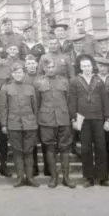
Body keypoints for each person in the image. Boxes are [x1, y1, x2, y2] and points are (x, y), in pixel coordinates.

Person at [69, 54, 109, 187]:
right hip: (82, 118)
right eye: (84, 66)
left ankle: (103, 177)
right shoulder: (75, 81)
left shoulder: (99, 80)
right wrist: (73, 120)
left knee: (101, 147)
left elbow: (106, 101)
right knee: (86, 148)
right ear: (80, 67)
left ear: (92, 66)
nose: (86, 68)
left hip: (98, 118)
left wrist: (107, 119)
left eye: (88, 65)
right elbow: (72, 102)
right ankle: (89, 177)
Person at [35, 58, 75, 188]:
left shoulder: (64, 81)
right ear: (44, 69)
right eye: (48, 67)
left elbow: (69, 100)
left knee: (65, 148)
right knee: (50, 148)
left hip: (63, 119)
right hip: (47, 120)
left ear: (57, 68)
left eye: (53, 67)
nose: (51, 69)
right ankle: (54, 177)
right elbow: (37, 103)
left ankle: (66, 178)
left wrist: (71, 117)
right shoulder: (39, 82)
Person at [0, 63, 39, 188]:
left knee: (28, 151)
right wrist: (4, 124)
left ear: (24, 74)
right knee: (17, 152)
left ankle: (30, 178)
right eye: (15, 72)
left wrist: (35, 122)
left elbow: (35, 107)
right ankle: (20, 178)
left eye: (20, 72)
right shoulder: (6, 88)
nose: (18, 75)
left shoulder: (30, 88)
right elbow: (3, 108)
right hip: (13, 123)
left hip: (29, 123)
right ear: (12, 74)